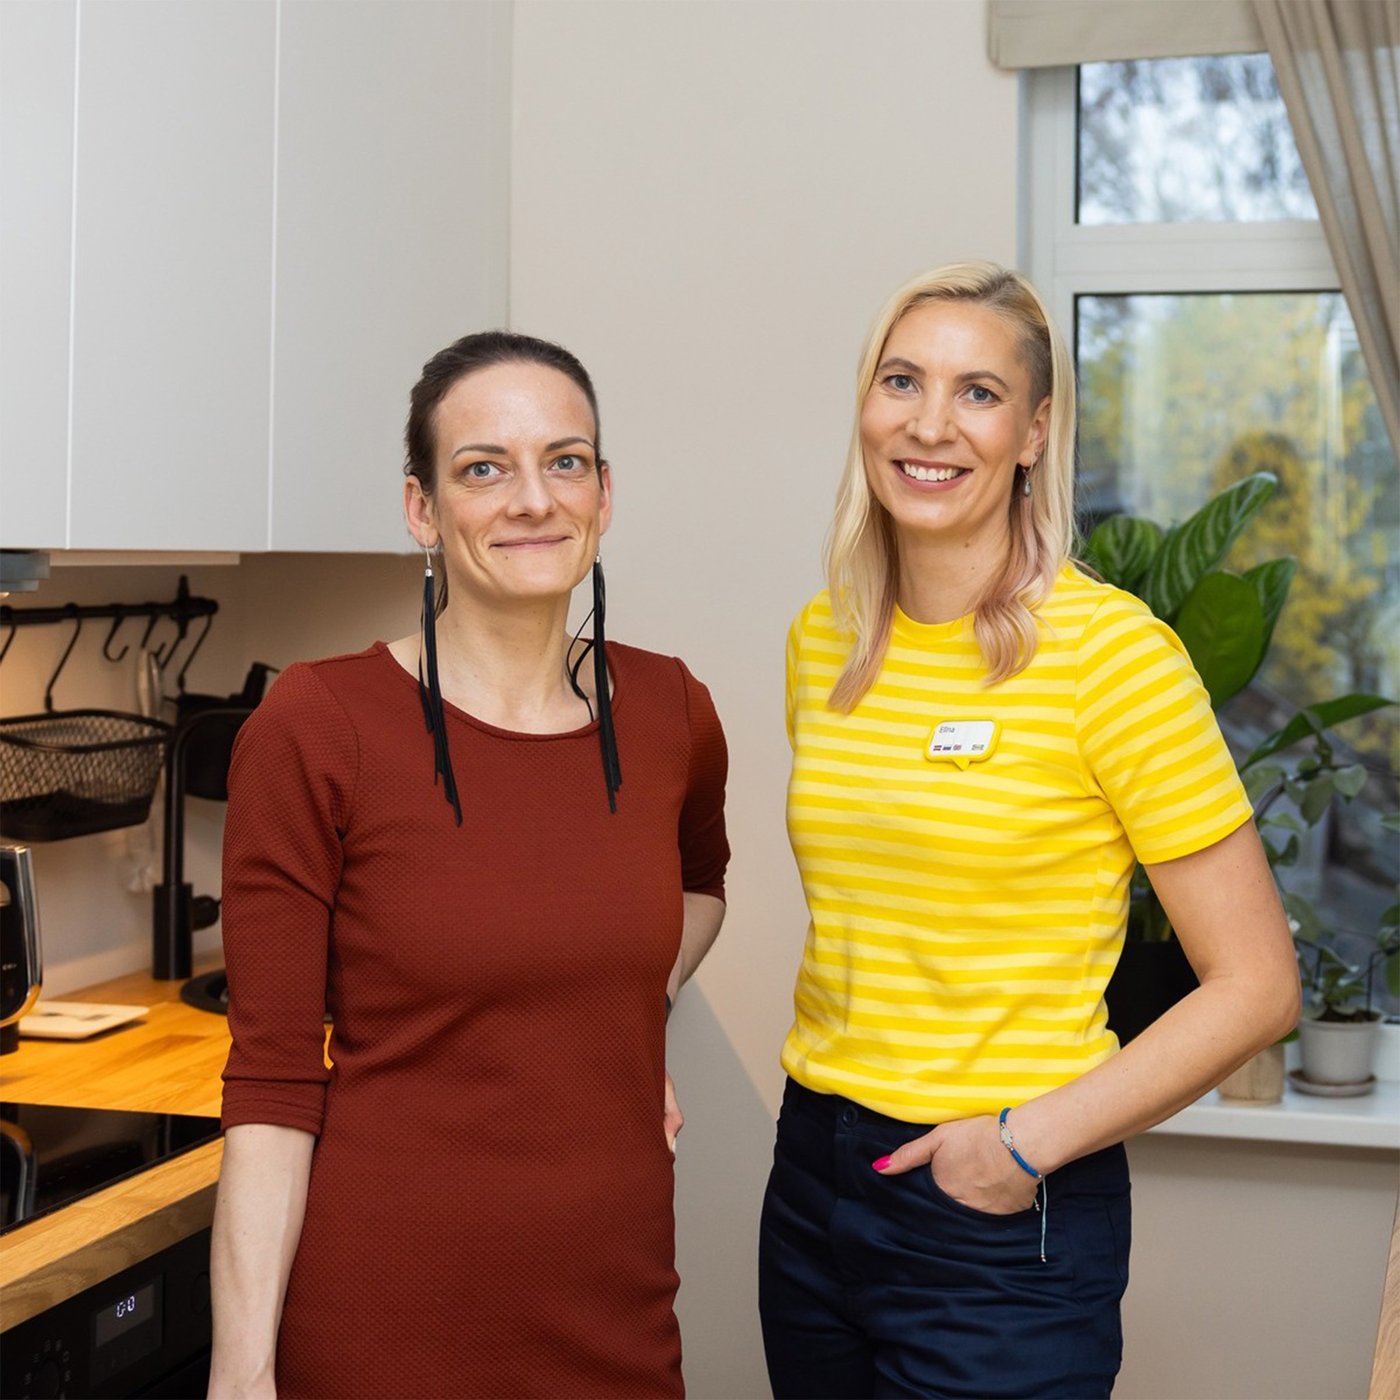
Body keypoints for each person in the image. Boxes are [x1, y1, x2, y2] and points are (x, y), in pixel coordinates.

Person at [758, 261, 1298, 1399]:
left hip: (997, 1206)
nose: (928, 423)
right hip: (813, 1176)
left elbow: (1255, 984)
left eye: (977, 392)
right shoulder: (826, 642)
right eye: (900, 380)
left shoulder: (1113, 657)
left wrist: (1019, 1144)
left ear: (1033, 430)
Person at [208, 331, 729, 1399]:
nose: (531, 498)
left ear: (603, 492)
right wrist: (242, 1369)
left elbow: (698, 889)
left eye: (565, 460)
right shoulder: (319, 725)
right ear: (421, 510)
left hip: (614, 1312)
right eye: (482, 467)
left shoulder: (672, 708)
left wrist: (622, 1010)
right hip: (386, 1318)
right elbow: (267, 1081)